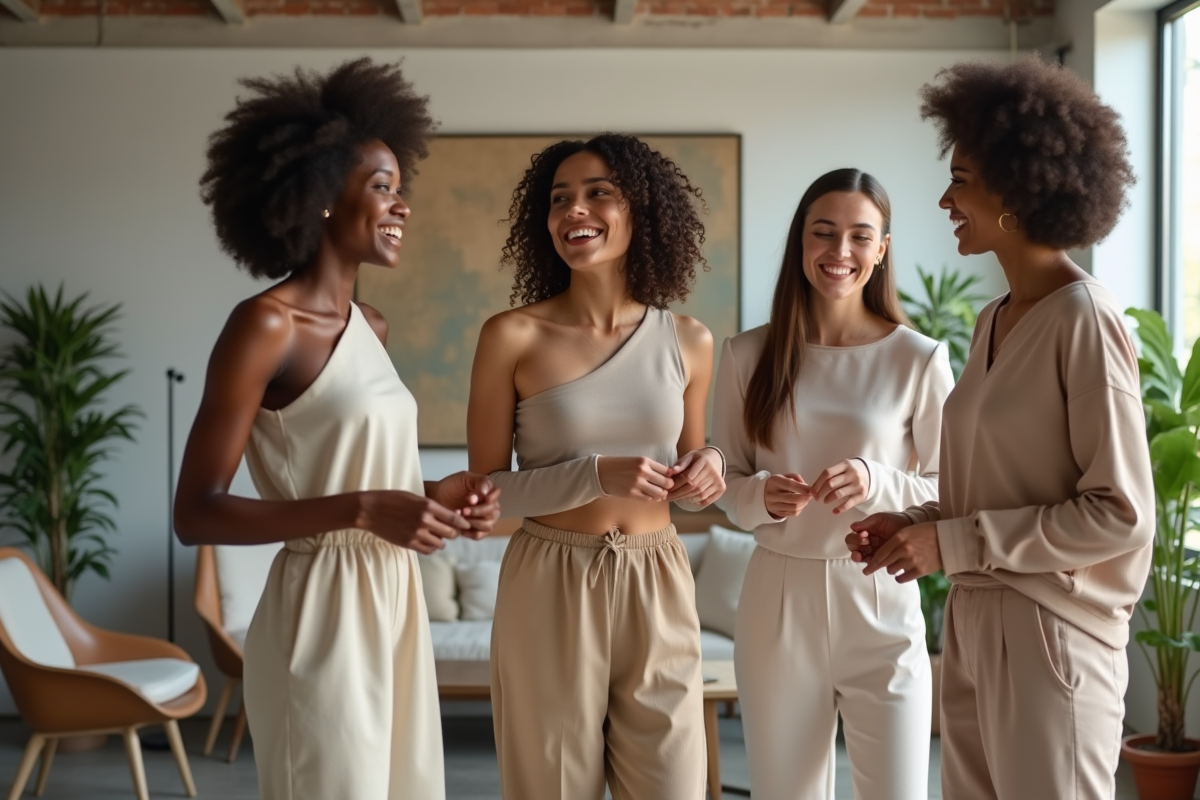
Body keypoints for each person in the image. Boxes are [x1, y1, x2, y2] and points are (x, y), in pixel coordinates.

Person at [173, 58, 501, 800]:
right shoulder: (264, 325)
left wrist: (435, 495)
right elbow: (194, 513)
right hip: (317, 610)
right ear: (322, 198)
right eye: (382, 186)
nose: (402, 204)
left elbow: (363, 472)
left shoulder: (371, 327)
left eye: (399, 186)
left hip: (395, 598)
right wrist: (361, 509)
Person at [847, 56, 1154, 799]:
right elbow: (998, 483)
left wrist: (950, 542)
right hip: (977, 619)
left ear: (1018, 189)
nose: (946, 198)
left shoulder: (1085, 320)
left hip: (1052, 632)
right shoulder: (993, 320)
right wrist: (917, 523)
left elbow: (1120, 514)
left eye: (963, 179)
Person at [467, 133, 725, 800]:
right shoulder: (511, 335)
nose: (573, 210)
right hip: (549, 581)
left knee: (674, 786)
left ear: (641, 209)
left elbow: (692, 486)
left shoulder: (689, 341)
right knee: (550, 786)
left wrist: (711, 466)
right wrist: (593, 473)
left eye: (597, 193)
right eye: (559, 199)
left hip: (658, 577)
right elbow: (486, 494)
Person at [712, 168, 952, 800]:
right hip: (776, 597)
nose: (839, 252)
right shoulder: (745, 355)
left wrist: (876, 480)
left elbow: (953, 486)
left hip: (881, 594)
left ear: (882, 248)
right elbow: (724, 482)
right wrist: (757, 495)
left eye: (858, 236)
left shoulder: (919, 358)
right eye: (823, 233)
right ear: (800, 243)